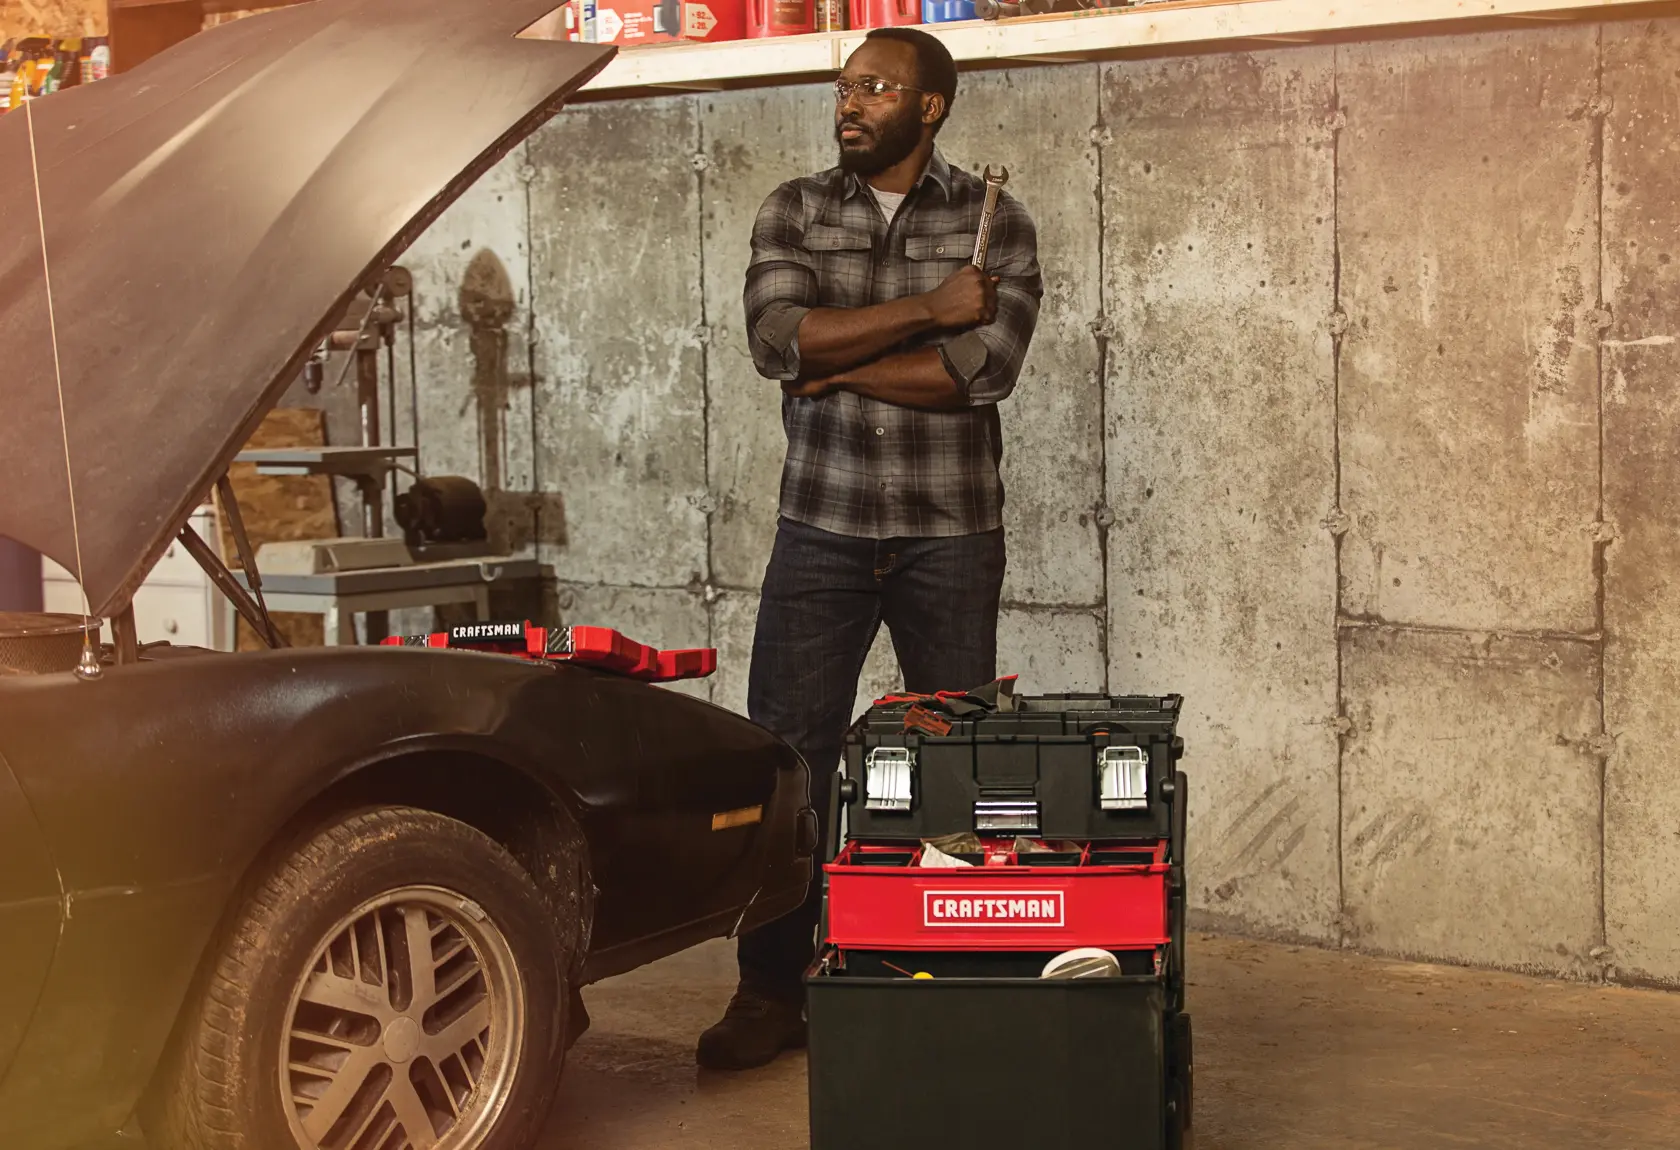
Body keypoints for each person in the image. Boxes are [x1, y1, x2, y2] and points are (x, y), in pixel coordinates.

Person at [696, 27, 1043, 1071]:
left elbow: (979, 373)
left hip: (951, 533)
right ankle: (770, 989)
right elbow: (778, 341)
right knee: (788, 759)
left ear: (930, 106)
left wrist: (837, 363)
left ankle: (947, 978)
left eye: (877, 88)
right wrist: (929, 312)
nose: (850, 104)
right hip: (824, 527)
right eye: (845, 86)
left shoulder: (996, 220)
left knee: (957, 762)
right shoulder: (794, 209)